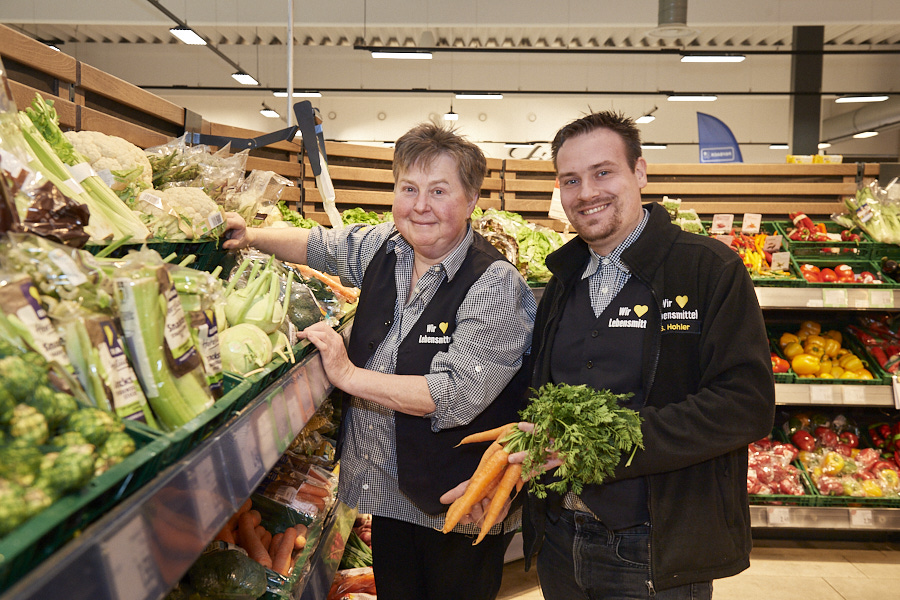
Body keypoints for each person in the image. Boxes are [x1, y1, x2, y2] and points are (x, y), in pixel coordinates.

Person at [222, 122, 536, 600]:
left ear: (471, 199)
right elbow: (319, 246)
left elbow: (455, 395)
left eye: (438, 190)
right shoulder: (386, 246)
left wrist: (347, 374)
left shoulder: (493, 282)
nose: (420, 205)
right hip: (386, 496)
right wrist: (252, 236)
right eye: (408, 188)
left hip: (455, 501)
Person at [515, 111, 776, 599]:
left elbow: (746, 404)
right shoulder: (562, 282)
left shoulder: (707, 270)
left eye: (603, 172)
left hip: (655, 547)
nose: (586, 192)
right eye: (571, 179)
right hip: (561, 542)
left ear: (640, 172)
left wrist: (602, 446)